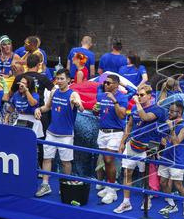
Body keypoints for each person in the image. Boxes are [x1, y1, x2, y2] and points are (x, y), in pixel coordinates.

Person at [114, 84, 167, 214]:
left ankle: (146, 198)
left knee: (146, 176)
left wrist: (137, 103)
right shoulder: (134, 108)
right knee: (127, 173)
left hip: (147, 149)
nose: (139, 97)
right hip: (132, 144)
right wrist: (122, 142)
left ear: (150, 96)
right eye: (138, 95)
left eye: (142, 95)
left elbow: (145, 117)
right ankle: (126, 202)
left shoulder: (158, 110)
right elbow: (130, 125)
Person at [35, 69, 85, 197]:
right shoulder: (54, 91)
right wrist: (38, 109)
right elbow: (47, 107)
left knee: (65, 162)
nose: (59, 81)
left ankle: (65, 186)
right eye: (57, 78)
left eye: (62, 78)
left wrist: (77, 104)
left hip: (66, 135)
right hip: (51, 132)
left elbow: (82, 109)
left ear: (68, 80)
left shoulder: (73, 94)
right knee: (47, 159)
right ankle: (45, 185)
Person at [92, 74, 129, 206]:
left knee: (108, 159)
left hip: (116, 132)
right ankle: (110, 185)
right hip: (102, 131)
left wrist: (114, 100)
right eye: (105, 83)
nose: (105, 85)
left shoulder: (122, 97)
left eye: (108, 83)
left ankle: (112, 190)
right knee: (105, 161)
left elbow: (122, 115)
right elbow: (99, 112)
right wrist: (95, 111)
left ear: (116, 85)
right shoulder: (101, 95)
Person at [157, 101, 184, 218]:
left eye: (172, 111)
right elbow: (166, 141)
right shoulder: (169, 123)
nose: (169, 113)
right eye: (169, 110)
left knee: (178, 185)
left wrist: (171, 129)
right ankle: (172, 205)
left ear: (180, 112)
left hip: (177, 160)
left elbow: (176, 142)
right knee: (162, 182)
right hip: (166, 158)